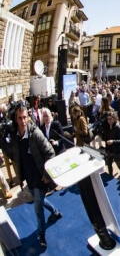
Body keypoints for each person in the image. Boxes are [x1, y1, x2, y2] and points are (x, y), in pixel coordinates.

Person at [5, 104, 62, 247]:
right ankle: (55, 212)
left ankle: (41, 235)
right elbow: (14, 155)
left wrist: (46, 174)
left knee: (38, 208)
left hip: (39, 178)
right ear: (15, 119)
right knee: (40, 201)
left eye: (25, 117)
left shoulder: (35, 133)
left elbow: (50, 153)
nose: (23, 121)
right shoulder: (15, 136)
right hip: (28, 178)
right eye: (20, 118)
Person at [103, 111, 120, 179]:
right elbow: (105, 138)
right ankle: (111, 177)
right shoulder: (107, 128)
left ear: (114, 119)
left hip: (116, 151)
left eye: (111, 119)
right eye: (108, 119)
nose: (109, 121)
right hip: (109, 150)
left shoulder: (118, 127)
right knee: (109, 165)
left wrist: (113, 141)